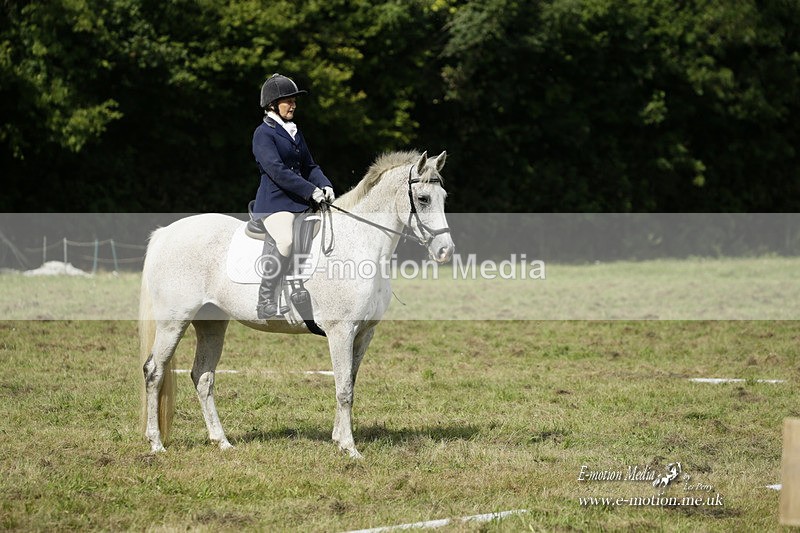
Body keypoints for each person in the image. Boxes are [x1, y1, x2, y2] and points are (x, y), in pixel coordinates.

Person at [252, 73, 335, 318]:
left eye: (294, 100)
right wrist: (310, 190)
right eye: (288, 100)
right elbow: (276, 170)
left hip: (300, 202)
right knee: (286, 241)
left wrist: (325, 185)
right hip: (275, 203)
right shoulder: (263, 134)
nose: (293, 104)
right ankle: (265, 300)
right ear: (272, 105)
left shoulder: (294, 132)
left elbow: (310, 166)